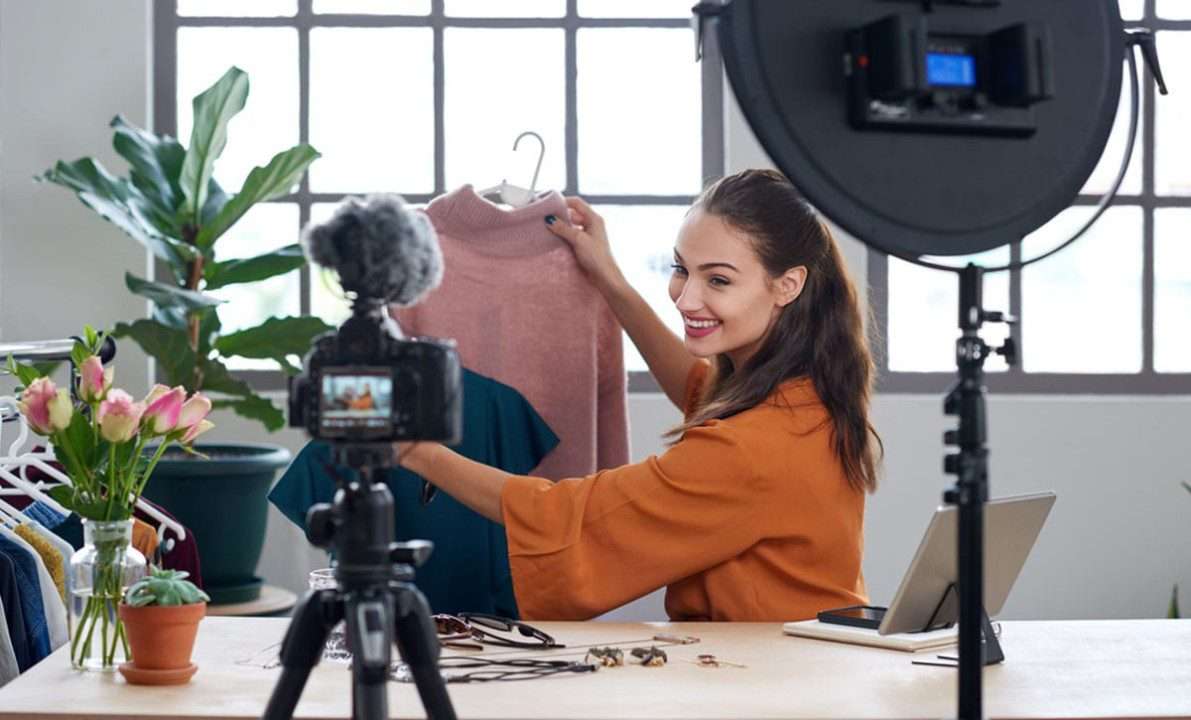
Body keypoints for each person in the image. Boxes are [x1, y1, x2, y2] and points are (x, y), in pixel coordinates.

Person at [396, 169, 882, 621]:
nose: (686, 298)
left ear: (788, 285)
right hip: (804, 658)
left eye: (717, 280)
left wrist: (415, 450)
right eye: (680, 269)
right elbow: (699, 387)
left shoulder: (756, 446)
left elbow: (564, 515)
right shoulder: (803, 396)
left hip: (779, 684)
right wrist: (610, 280)